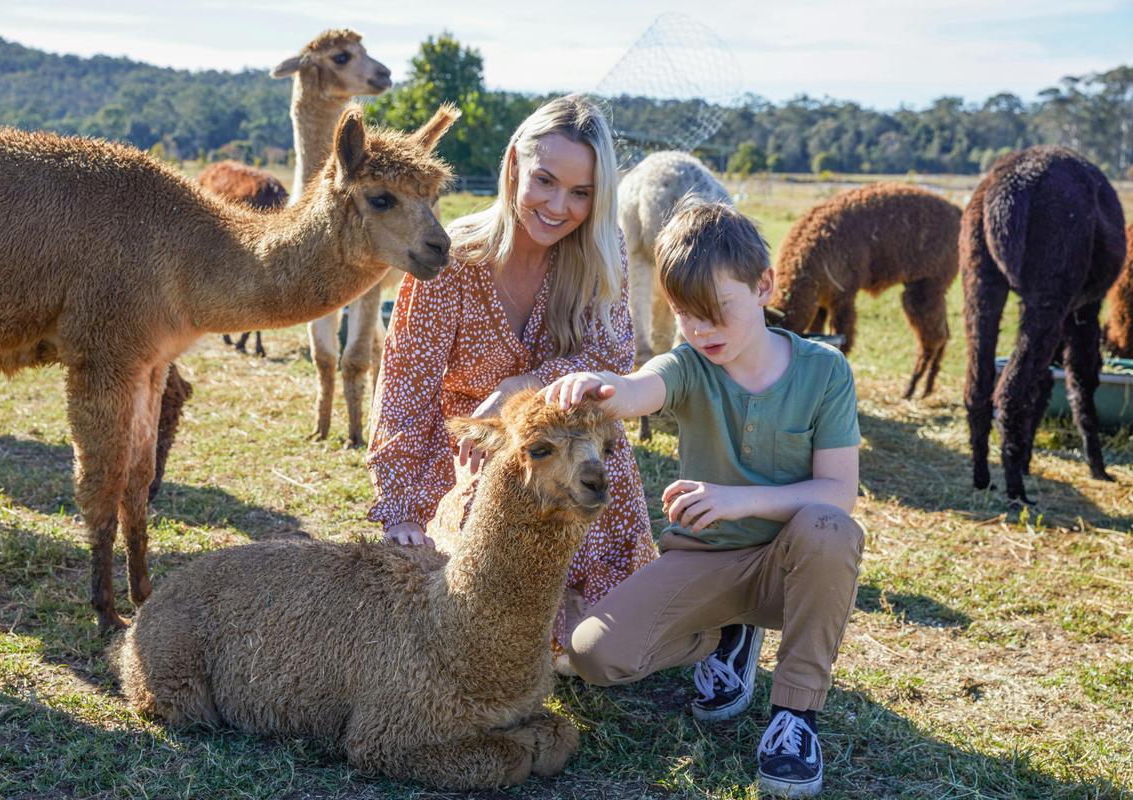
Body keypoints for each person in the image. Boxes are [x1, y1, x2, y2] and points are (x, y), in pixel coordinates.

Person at [544, 202, 863, 798]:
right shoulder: (690, 365)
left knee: (830, 528)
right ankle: (726, 637)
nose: (701, 330)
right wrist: (601, 388)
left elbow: (838, 493)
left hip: (790, 567)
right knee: (593, 656)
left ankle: (795, 716)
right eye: (685, 314)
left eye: (716, 311)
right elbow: (641, 387)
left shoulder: (825, 371)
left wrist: (738, 500)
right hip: (703, 561)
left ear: (764, 286)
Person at [366, 94, 656, 652]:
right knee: (482, 618)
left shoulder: (601, 251)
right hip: (471, 456)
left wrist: (524, 385)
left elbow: (613, 358)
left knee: (607, 637)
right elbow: (405, 388)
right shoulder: (454, 259)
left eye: (581, 193)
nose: (558, 206)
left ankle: (589, 610)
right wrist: (400, 509)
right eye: (545, 181)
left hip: (569, 450)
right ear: (514, 166)